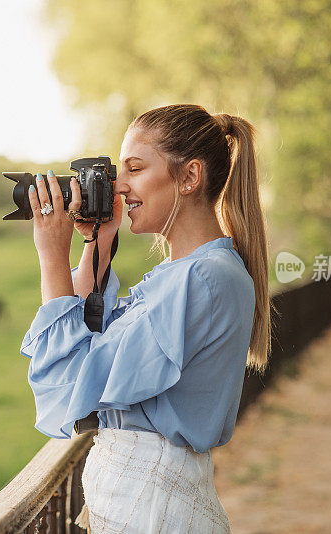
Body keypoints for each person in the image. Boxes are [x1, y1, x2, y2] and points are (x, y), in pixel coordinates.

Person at [20, 104, 271, 533]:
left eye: (135, 169)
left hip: (150, 505)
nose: (119, 186)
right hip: (144, 497)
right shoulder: (185, 275)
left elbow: (73, 376)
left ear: (189, 178)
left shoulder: (203, 278)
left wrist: (51, 257)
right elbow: (89, 339)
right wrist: (96, 243)